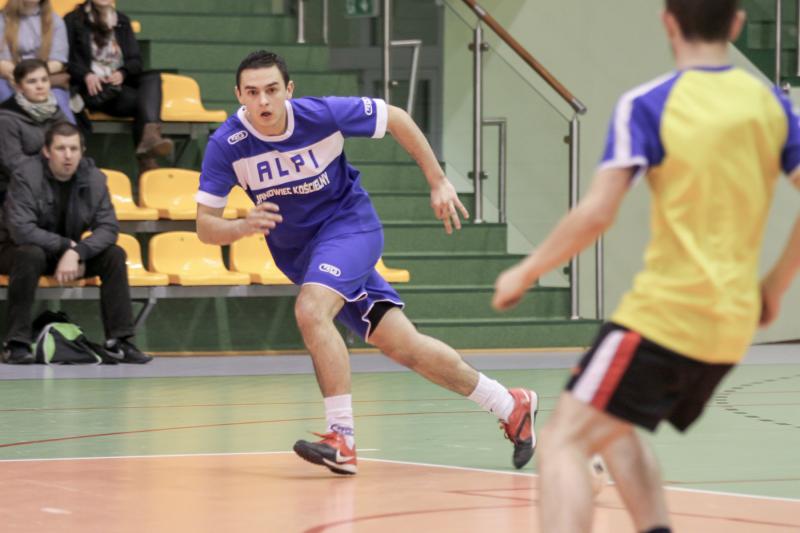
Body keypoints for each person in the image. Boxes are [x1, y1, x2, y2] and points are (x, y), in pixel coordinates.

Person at [492, 1, 800, 532]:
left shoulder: (648, 104)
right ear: (736, 23)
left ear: (667, 21)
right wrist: (775, 283)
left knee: (565, 439)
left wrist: (525, 271)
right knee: (613, 427)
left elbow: (597, 212)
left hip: (666, 316)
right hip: (730, 327)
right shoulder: (771, 104)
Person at [195, 50, 538, 475]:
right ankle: (509, 404)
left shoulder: (321, 115)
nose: (263, 101)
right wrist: (241, 226)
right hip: (303, 257)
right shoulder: (227, 144)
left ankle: (342, 437)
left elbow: (396, 117)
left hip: (350, 230)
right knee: (404, 346)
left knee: (311, 310)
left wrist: (438, 181)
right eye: (252, 92)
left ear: (289, 90)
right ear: (238, 95)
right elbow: (205, 227)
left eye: (271, 90)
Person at [0, 121, 152, 365]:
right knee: (30, 254)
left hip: (69, 253)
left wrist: (78, 252)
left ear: (82, 152)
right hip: (14, 250)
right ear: (46, 151)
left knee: (114, 255)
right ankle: (16, 343)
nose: (68, 155)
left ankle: (119, 342)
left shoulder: (94, 179)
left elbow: (108, 227)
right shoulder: (25, 175)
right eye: (61, 148)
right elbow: (21, 230)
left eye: (74, 149)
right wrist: (66, 247)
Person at [64, 0, 173, 175]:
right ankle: (147, 158)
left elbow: (135, 61)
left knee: (152, 80)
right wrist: (86, 75)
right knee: (144, 103)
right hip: (92, 90)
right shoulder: (73, 20)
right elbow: (66, 60)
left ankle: (150, 137)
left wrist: (122, 73)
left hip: (117, 88)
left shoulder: (121, 21)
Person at [0, 58, 69, 201]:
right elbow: (12, 163)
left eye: (44, 80)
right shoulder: (6, 118)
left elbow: (71, 143)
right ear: (19, 87)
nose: (40, 86)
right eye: (32, 81)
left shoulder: (54, 110)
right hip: (15, 188)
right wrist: (52, 168)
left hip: (52, 180)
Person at [0, 0, 75, 123]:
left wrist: (35, 77)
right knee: (6, 98)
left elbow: (58, 61)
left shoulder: (55, 21)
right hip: (10, 76)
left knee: (59, 103)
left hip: (45, 77)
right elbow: (3, 62)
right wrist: (23, 78)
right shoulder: (2, 19)